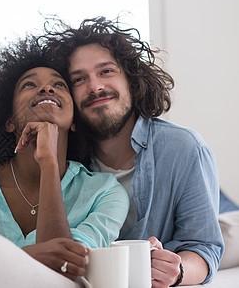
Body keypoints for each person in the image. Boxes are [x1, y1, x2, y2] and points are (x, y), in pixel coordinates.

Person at [41, 16, 224, 287]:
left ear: (133, 82)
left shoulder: (185, 149)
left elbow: (204, 246)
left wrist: (178, 270)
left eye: (106, 71)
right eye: (79, 79)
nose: (95, 86)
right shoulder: (62, 159)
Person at [0, 36, 129, 283]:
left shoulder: (106, 193)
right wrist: (31, 256)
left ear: (73, 122)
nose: (47, 89)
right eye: (29, 85)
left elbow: (63, 270)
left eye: (59, 85)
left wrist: (48, 163)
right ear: (8, 121)